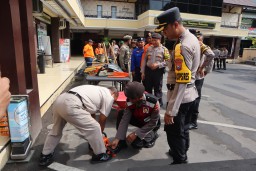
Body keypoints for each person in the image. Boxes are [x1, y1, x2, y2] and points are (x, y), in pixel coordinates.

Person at [155, 7, 200, 164]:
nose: (163, 33)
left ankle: (180, 159)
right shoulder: (190, 39)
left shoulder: (184, 45)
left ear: (175, 24)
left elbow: (181, 82)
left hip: (180, 97)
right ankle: (179, 151)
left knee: (174, 131)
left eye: (165, 29)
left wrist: (171, 111)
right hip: (189, 95)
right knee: (183, 128)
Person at [39, 85, 119, 166]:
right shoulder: (109, 96)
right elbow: (102, 119)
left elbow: (91, 114)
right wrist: (100, 135)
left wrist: (95, 137)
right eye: (115, 100)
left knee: (56, 130)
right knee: (95, 127)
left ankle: (45, 155)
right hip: (71, 103)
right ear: (114, 93)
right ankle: (100, 155)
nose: (113, 102)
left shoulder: (97, 90)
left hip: (60, 100)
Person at [111, 82, 160, 152]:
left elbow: (153, 123)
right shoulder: (130, 100)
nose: (130, 100)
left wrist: (136, 133)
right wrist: (118, 138)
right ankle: (121, 141)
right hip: (139, 120)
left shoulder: (153, 102)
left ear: (139, 97)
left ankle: (153, 135)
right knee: (121, 113)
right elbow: (125, 119)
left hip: (150, 124)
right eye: (129, 98)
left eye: (132, 99)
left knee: (136, 145)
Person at [189, 32, 215, 130]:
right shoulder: (192, 47)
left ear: (202, 40)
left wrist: (203, 69)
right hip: (189, 77)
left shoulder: (204, 48)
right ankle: (188, 119)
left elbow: (211, 57)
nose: (197, 41)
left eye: (199, 39)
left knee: (195, 99)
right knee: (188, 98)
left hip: (197, 78)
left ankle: (193, 121)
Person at [141, 33, 170, 107]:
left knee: (158, 89)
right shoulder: (149, 48)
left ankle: (157, 105)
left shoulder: (164, 49)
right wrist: (143, 72)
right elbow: (144, 60)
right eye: (152, 40)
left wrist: (158, 65)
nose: (153, 42)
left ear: (159, 40)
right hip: (148, 71)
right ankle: (149, 104)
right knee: (148, 88)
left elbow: (168, 61)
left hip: (158, 72)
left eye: (155, 40)